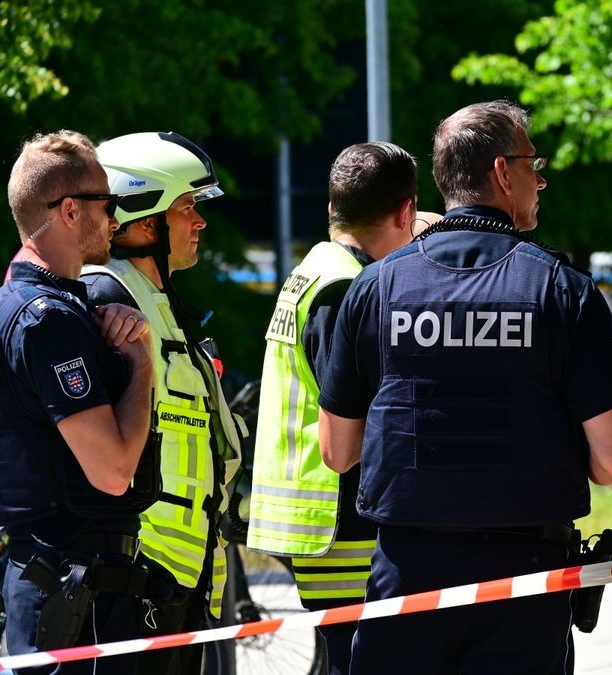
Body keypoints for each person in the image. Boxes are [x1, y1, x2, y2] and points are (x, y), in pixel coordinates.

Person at [318, 101, 612, 674]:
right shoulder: (564, 291)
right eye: (532, 163)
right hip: (526, 580)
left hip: (406, 578)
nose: (540, 178)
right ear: (501, 172)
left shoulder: (373, 288)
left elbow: (338, 452)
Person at [0, 130, 158, 674]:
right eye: (108, 204)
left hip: (43, 582)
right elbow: (115, 471)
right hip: (79, 595)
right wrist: (140, 362)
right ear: (70, 211)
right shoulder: (49, 322)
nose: (116, 219)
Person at [249, 141, 418, 674]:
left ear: (331, 209)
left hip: (320, 519)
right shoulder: (347, 287)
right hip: (341, 526)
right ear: (404, 212)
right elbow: (356, 414)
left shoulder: (317, 268)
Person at [79, 131, 244, 675]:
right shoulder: (108, 298)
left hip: (179, 575)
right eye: (187, 207)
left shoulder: (160, 304)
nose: (199, 222)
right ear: (146, 218)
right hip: (138, 575)